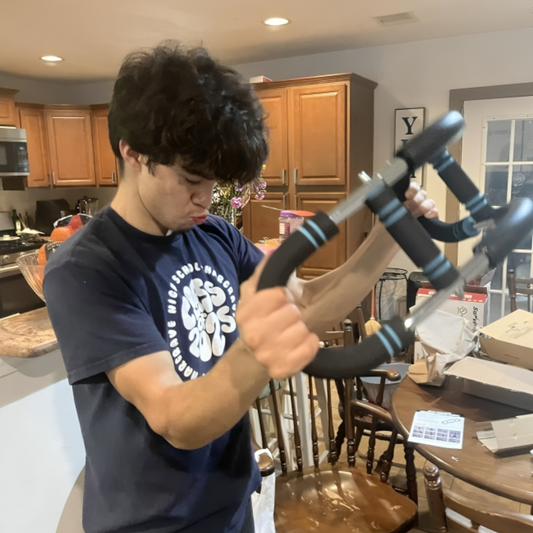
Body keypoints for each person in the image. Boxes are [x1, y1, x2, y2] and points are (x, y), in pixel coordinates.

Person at [43, 41, 437, 533]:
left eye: (215, 183)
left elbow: (308, 303)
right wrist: (260, 345)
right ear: (134, 152)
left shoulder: (215, 234)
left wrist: (390, 234)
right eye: (191, 180)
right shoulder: (86, 270)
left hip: (230, 506)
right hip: (151, 525)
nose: (206, 199)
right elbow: (174, 417)